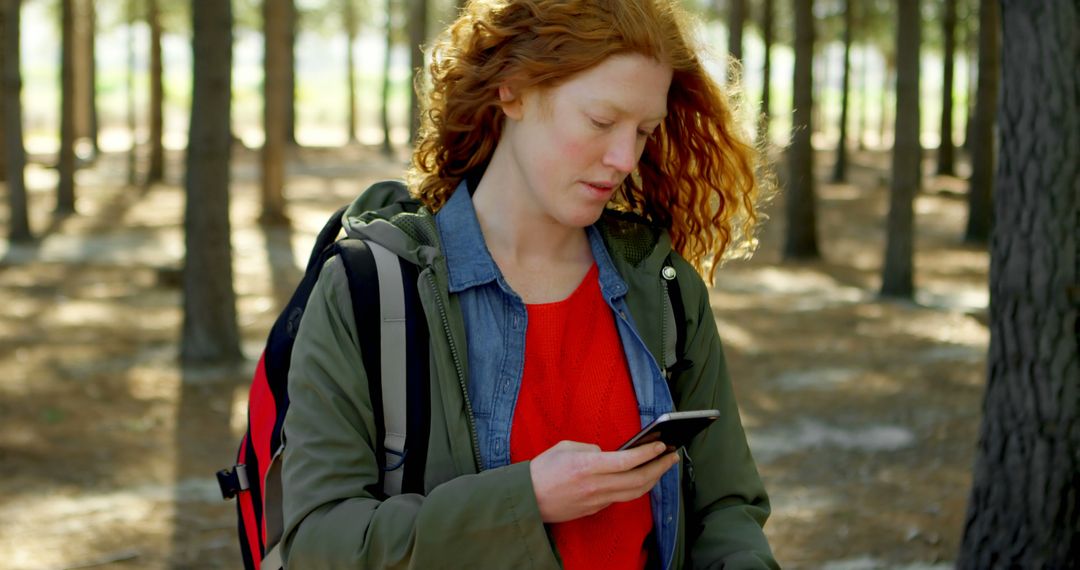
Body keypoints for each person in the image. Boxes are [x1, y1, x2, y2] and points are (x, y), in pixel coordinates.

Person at [280, 0, 777, 567]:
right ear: (511, 90)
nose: (622, 158)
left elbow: (727, 509)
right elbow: (316, 545)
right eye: (599, 121)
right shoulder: (370, 289)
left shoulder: (663, 288)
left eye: (643, 131)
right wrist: (525, 500)